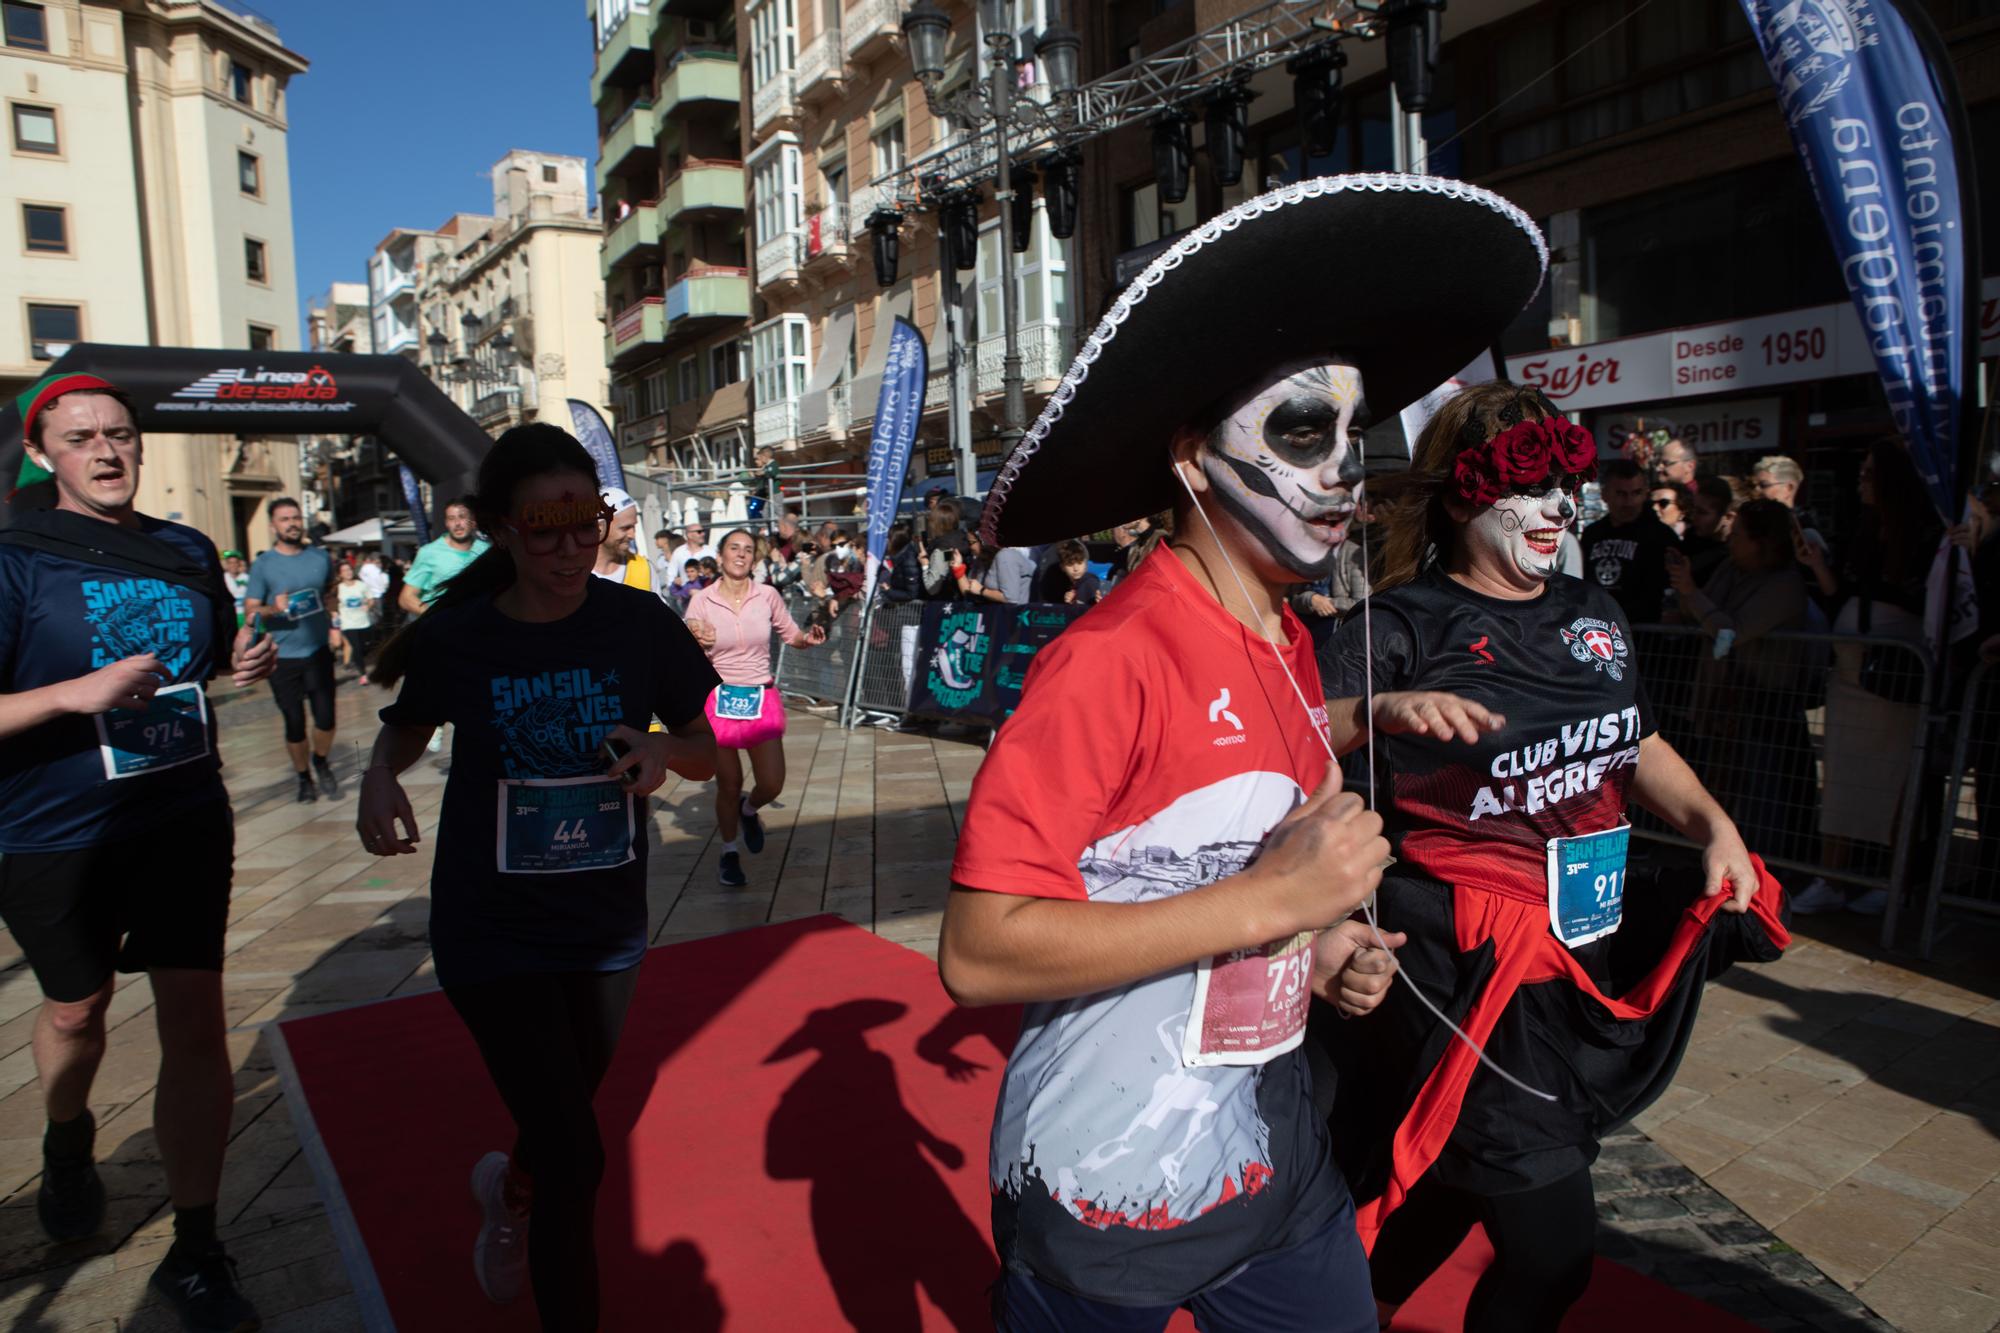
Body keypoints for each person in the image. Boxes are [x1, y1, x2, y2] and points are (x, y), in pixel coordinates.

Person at [940, 174, 1560, 1332]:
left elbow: (1245, 850)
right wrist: (1268, 898)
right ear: (1191, 458)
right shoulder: (1106, 657)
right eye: (1299, 430)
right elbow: (977, 953)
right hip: (1102, 1180)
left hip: (1274, 1153)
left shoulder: (1286, 634)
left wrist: (1323, 941)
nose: (1341, 468)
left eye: (1351, 433)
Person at [1318, 381, 1787, 1333]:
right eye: (1527, 487)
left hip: (1577, 953)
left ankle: (1344, 1312)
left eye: (1565, 483)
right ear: (1462, 497)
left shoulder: (1592, 606)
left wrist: (1713, 823)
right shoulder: (1399, 627)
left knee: (1463, 1178)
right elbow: (1281, 743)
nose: (1557, 509)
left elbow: (1634, 741)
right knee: (1553, 1244)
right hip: (1465, 973)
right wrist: (1370, 715)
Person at [356, 424, 718, 1331]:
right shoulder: (462, 635)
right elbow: (410, 720)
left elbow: (713, 748)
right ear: (503, 530)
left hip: (604, 925)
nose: (568, 546)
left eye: (584, 522)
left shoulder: (638, 623)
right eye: (544, 526)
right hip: (490, 927)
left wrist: (668, 749)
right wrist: (376, 774)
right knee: (579, 1150)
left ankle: (510, 1192)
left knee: (559, 1125)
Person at [0, 372, 277, 1330]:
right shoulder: (14, 559)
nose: (107, 450)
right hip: (50, 829)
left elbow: (204, 663)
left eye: (121, 432)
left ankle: (197, 1250)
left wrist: (240, 667)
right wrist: (70, 696)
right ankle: (68, 1137)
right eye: (81, 437)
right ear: (44, 454)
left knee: (196, 1022)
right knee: (77, 1012)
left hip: (181, 814)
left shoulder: (185, 547)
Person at [1792, 441, 1944, 915]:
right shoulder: (1866, 529)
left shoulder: (1925, 536)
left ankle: (1892, 880)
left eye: (1869, 474)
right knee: (1841, 777)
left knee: (1895, 779)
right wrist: (1819, 566)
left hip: (1892, 677)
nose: (1860, 482)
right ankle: (1833, 877)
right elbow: (1845, 597)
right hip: (1852, 670)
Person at [683, 528, 827, 888]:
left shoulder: (768, 596)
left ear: (754, 558)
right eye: (734, 548)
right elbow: (685, 640)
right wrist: (695, 638)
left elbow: (790, 633)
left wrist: (806, 640)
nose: (741, 554)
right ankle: (729, 851)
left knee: (772, 782)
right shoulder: (702, 599)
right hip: (719, 699)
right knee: (728, 784)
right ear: (720, 556)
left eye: (748, 550)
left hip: (760, 698)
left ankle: (750, 811)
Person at [244, 496, 343, 802]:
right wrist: (273, 608)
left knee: (325, 718)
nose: (292, 524)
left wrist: (335, 623)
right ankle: (303, 778)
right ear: (274, 526)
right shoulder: (263, 564)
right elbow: (250, 611)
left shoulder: (319, 557)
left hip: (317, 651)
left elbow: (330, 592)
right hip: (282, 656)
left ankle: (321, 761)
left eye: (296, 518)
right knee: (295, 722)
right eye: (285, 519)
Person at [1580, 458, 1681, 623]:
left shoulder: (1661, 536)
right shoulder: (1592, 534)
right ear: (1605, 495)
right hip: (1598, 625)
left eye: (1636, 493)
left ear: (1645, 493)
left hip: (1642, 633)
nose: (1629, 502)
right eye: (1620, 494)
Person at [399, 496, 491, 617]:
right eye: (451, 519)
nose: (457, 524)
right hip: (442, 631)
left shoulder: (486, 550)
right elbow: (406, 598)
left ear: (473, 521)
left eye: (462, 517)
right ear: (446, 523)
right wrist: (436, 618)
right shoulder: (429, 552)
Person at [1751, 454, 1829, 559]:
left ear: (1789, 488)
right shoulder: (1755, 522)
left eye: (1764, 485)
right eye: (1755, 485)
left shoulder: (1805, 532)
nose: (1757, 490)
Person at [590, 486, 654, 595]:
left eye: (634, 527)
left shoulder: (643, 568)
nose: (632, 535)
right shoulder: (577, 573)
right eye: (625, 528)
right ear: (599, 528)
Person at [1682, 474, 1737, 586]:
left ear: (1727, 517)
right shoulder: (1690, 540)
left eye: (1702, 512)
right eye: (1694, 509)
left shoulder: (1735, 554)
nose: (1694, 517)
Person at [335, 559, 380, 686]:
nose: (348, 572)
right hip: (348, 623)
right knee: (357, 647)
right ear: (340, 574)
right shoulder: (338, 588)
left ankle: (359, 662)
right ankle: (363, 674)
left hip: (363, 622)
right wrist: (334, 613)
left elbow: (371, 599)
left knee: (366, 646)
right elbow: (332, 603)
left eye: (349, 569)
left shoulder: (361, 585)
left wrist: (368, 606)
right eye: (344, 571)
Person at [1049, 539, 1102, 607]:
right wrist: (1071, 603)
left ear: (1085, 564)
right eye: (1070, 564)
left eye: (1079, 563)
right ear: (1062, 567)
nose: (1076, 569)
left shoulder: (1090, 584)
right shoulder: (1062, 584)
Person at [666, 521, 710, 592]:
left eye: (703, 531)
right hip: (685, 597)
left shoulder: (710, 551)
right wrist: (675, 588)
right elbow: (670, 574)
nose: (703, 534)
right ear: (689, 535)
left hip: (707, 596)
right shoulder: (679, 551)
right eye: (699, 532)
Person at [220, 549, 249, 626]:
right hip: (230, 615)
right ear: (227, 564)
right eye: (230, 563)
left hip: (245, 614)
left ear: (239, 564)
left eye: (235, 563)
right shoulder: (222, 578)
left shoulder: (246, 578)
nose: (233, 565)